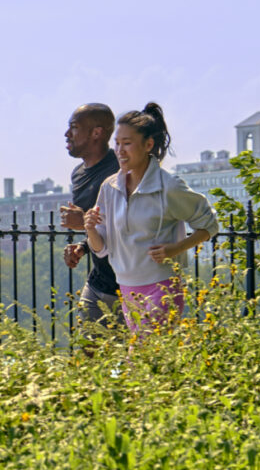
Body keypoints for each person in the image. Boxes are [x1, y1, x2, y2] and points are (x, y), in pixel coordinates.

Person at [83, 103, 220, 333]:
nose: (119, 150)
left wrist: (175, 249)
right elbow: (101, 249)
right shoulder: (110, 187)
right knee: (150, 364)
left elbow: (209, 224)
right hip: (126, 288)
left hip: (163, 287)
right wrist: (90, 230)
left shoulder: (168, 186)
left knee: (140, 357)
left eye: (127, 143)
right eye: (116, 143)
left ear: (148, 145)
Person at [58, 104, 120, 330]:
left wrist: (83, 220)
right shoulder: (78, 174)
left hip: (128, 283)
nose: (67, 134)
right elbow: (99, 231)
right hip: (98, 282)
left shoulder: (119, 170)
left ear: (97, 132)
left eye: (74, 128)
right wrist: (83, 247)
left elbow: (128, 222)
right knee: (89, 355)